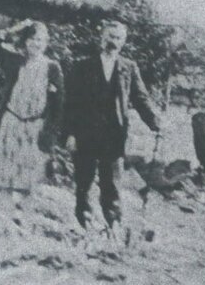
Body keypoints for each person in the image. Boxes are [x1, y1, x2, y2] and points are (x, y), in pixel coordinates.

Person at [61, 18, 161, 229]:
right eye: (109, 37)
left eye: (117, 38)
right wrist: (70, 134)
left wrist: (155, 122)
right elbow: (70, 103)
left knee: (112, 184)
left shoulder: (129, 68)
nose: (113, 42)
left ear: (123, 42)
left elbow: (141, 98)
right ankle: (85, 224)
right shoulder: (83, 66)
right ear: (102, 38)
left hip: (113, 137)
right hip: (85, 134)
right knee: (84, 182)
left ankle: (113, 225)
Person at [0, 21, 62, 192]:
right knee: (3, 178)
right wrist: (14, 30)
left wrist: (49, 134)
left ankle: (21, 215)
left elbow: (58, 105)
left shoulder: (52, 68)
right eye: (32, 39)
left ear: (46, 43)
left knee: (26, 179)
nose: (36, 44)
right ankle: (2, 211)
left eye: (41, 40)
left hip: (34, 128)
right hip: (11, 123)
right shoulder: (14, 60)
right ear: (25, 41)